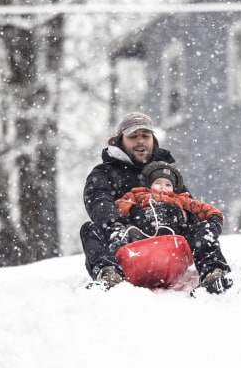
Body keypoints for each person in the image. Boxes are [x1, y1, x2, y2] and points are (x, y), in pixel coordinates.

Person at [80, 112, 232, 293]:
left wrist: (180, 215)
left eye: (145, 135)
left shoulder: (166, 171)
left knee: (202, 230)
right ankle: (109, 274)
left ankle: (213, 272)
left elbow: (188, 203)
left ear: (153, 138)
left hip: (171, 241)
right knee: (89, 230)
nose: (140, 141)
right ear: (120, 140)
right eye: (133, 136)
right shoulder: (104, 172)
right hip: (128, 244)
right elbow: (98, 200)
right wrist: (120, 222)